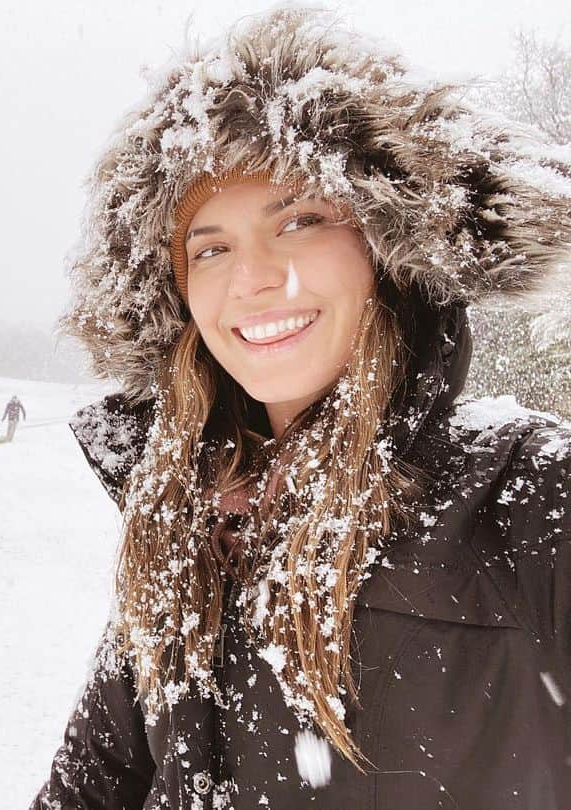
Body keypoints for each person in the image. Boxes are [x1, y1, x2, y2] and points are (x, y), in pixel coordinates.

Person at [30, 8, 571, 809]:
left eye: (301, 220)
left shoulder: (527, 499)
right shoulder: (186, 517)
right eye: (210, 247)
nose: (252, 279)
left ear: (385, 251)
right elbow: (95, 782)